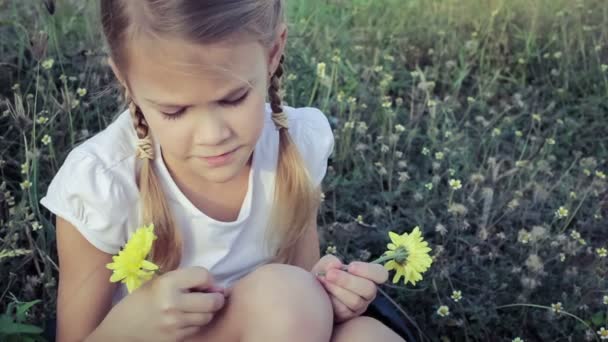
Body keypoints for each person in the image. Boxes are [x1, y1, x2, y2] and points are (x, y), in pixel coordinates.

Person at [40, 1, 405, 341]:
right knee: (288, 298)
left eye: (233, 98)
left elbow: (303, 284)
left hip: (280, 321)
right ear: (125, 78)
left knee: (367, 335)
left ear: (273, 52)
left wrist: (331, 293)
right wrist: (132, 324)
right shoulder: (102, 183)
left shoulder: (294, 146)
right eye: (174, 110)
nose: (213, 136)